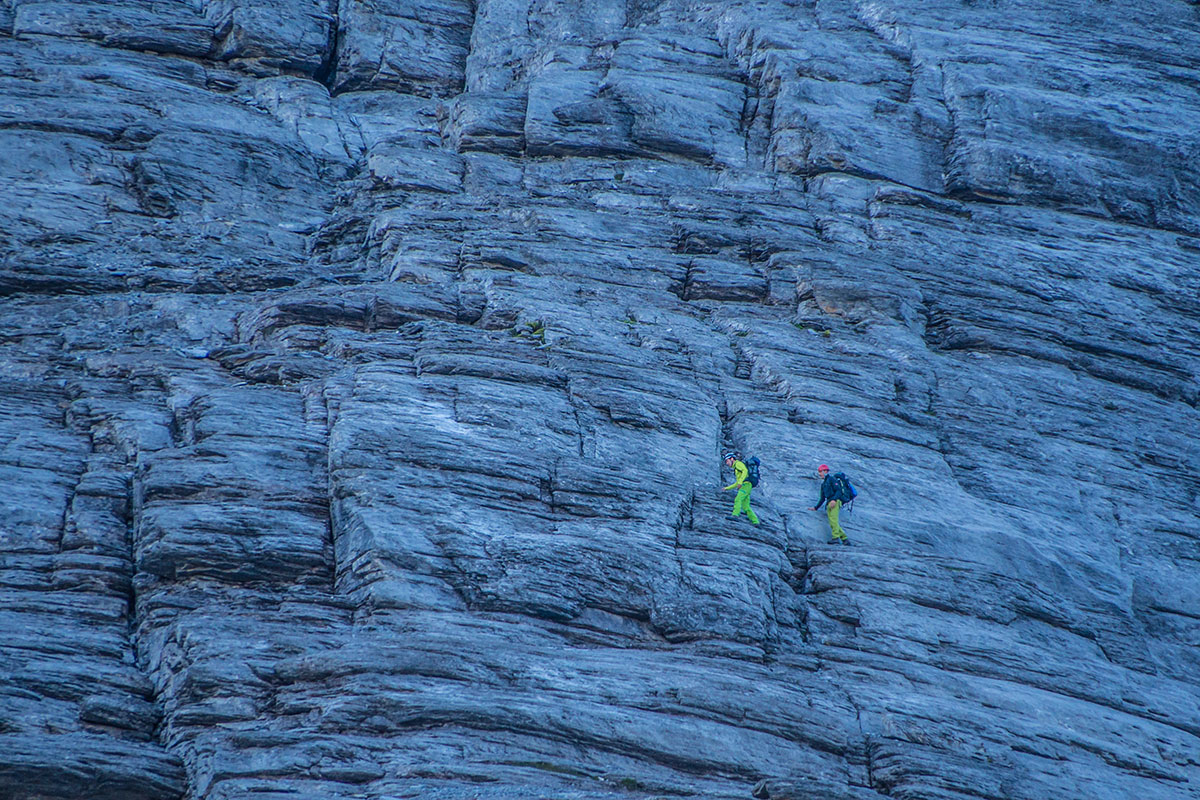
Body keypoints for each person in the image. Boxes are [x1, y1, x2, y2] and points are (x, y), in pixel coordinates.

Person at [811, 464, 850, 544]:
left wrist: (834, 500)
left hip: (835, 502)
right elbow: (822, 498)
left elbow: (838, 490)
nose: (819, 474)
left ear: (825, 471)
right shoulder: (823, 484)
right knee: (832, 521)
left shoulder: (832, 479)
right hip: (829, 503)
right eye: (819, 472)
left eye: (820, 471)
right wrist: (816, 508)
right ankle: (844, 539)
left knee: (833, 520)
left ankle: (835, 538)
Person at [722, 451, 760, 525]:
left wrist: (740, 482)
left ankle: (735, 515)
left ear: (732, 459)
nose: (727, 463)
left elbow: (745, 471)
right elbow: (737, 483)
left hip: (745, 485)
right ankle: (755, 521)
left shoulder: (738, 464)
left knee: (738, 499)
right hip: (747, 485)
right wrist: (726, 488)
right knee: (746, 506)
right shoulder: (736, 469)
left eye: (727, 461)